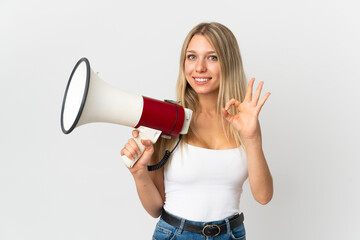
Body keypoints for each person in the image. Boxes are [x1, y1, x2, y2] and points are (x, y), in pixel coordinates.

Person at [120, 22, 273, 240]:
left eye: (212, 57)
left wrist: (253, 137)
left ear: (229, 63)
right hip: (174, 234)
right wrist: (139, 173)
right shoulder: (168, 118)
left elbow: (263, 196)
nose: (199, 67)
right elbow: (155, 208)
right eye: (192, 56)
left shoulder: (242, 122)